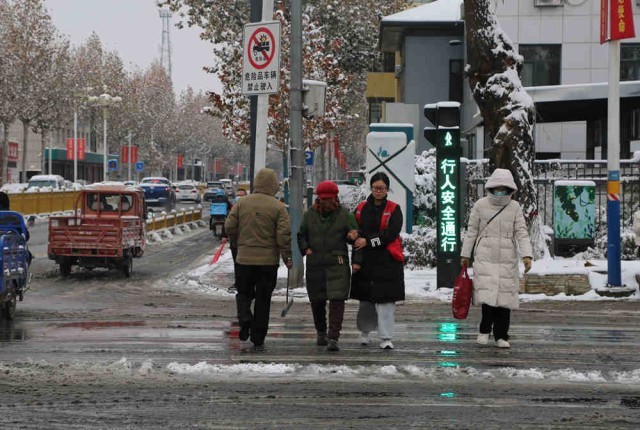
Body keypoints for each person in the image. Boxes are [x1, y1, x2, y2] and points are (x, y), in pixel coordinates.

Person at [460, 168, 533, 349]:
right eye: (497, 188)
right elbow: (472, 232)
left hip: (507, 255)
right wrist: (465, 254)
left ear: (510, 189)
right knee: (487, 295)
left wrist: (527, 255)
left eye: (504, 188)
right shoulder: (480, 205)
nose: (500, 192)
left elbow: (521, 232)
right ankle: (484, 330)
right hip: (485, 254)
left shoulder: (514, 207)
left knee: (505, 297)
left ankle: (502, 335)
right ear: (491, 187)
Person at [224, 168, 292, 352]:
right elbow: (283, 236)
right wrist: (287, 257)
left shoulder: (241, 203)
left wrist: (239, 243)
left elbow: (229, 226)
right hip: (268, 262)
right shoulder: (278, 207)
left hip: (244, 259)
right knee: (263, 299)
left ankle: (245, 317)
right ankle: (258, 336)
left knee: (243, 293)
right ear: (273, 185)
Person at [297, 180, 359, 352]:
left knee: (337, 301)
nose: (326, 202)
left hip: (337, 264)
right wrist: (305, 248)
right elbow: (302, 234)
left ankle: (333, 337)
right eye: (323, 199)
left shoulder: (346, 215)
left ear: (335, 198)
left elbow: (355, 238)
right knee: (317, 300)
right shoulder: (309, 215)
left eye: (329, 199)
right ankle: (321, 332)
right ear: (318, 198)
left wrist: (352, 237)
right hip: (315, 262)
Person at [350, 172, 405, 350]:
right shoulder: (360, 208)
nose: (378, 191)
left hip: (387, 260)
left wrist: (369, 242)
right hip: (366, 261)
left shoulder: (394, 209)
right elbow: (354, 231)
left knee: (386, 301)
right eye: (375, 188)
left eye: (381, 188)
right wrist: (353, 238)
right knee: (365, 300)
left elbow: (391, 233)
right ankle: (364, 332)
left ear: (387, 189)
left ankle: (386, 337)